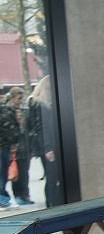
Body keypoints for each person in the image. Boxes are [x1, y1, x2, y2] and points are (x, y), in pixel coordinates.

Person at [27, 76, 63, 207]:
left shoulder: (45, 104)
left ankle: (53, 202)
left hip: (48, 145)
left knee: (53, 176)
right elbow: (41, 128)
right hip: (46, 146)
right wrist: (47, 148)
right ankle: (51, 203)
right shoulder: (38, 104)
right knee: (52, 176)